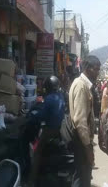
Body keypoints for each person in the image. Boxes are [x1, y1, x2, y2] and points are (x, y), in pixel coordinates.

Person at [69, 55, 101, 187]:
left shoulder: (81, 84)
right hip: (81, 140)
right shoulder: (81, 86)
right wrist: (88, 147)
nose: (98, 72)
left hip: (81, 140)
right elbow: (80, 121)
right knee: (82, 178)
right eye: (96, 69)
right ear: (88, 68)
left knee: (81, 176)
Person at [29, 75, 65, 185]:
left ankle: (31, 181)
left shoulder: (49, 98)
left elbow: (42, 116)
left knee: (36, 152)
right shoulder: (60, 96)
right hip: (58, 128)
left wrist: (32, 115)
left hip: (50, 129)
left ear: (48, 87)